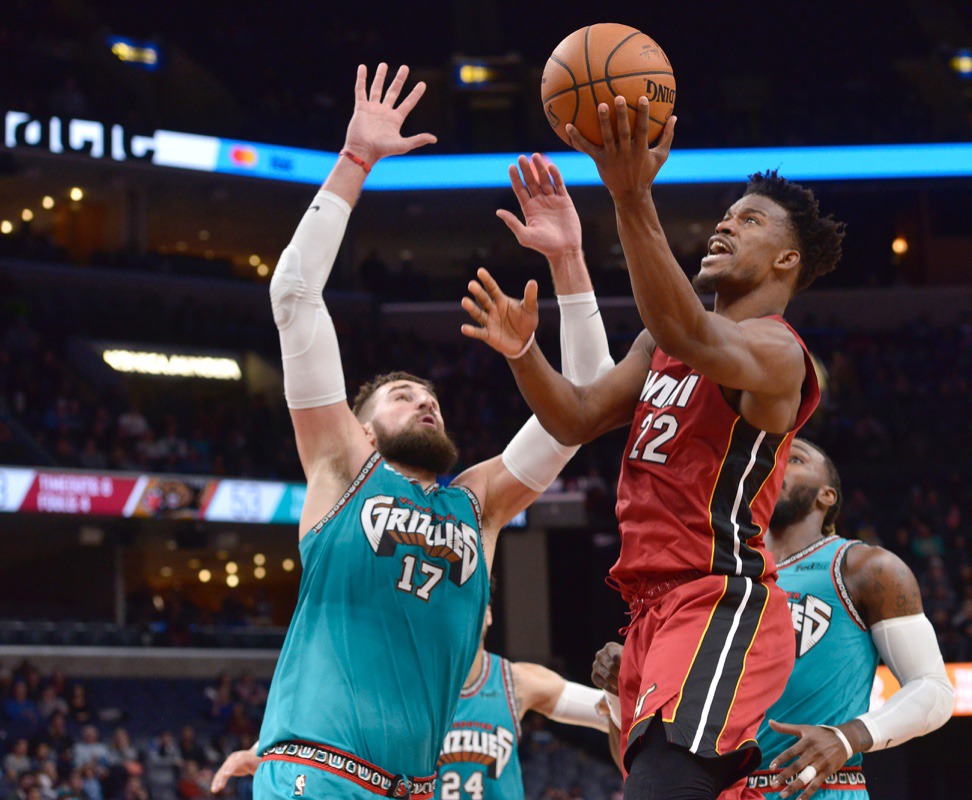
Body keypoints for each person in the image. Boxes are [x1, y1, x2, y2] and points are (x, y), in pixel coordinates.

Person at [252, 62, 615, 800]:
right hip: (317, 771)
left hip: (414, 785)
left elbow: (586, 406)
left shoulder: (475, 504)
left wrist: (570, 262)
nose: (425, 403)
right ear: (357, 425)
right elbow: (292, 295)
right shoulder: (341, 467)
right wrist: (355, 161)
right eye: (400, 395)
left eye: (430, 397)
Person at [462, 98, 843, 799]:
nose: (727, 223)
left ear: (787, 259)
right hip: (652, 612)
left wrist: (630, 191)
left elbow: (692, 331)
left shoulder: (775, 351)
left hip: (717, 602)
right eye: (727, 214)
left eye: (750, 220)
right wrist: (523, 352)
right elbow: (576, 418)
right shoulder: (660, 344)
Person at [592, 439, 955, 800]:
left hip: (819, 786)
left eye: (793, 458)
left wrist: (848, 737)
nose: (777, 463)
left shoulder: (864, 567)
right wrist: (620, 690)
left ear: (826, 496)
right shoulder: (708, 581)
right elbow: (648, 768)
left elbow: (934, 689)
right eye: (771, 456)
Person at [212, 604, 610, 800]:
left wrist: (616, 684)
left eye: (473, 604)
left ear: (488, 614)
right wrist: (261, 750)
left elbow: (605, 713)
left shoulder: (517, 681)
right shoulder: (392, 683)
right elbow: (323, 726)